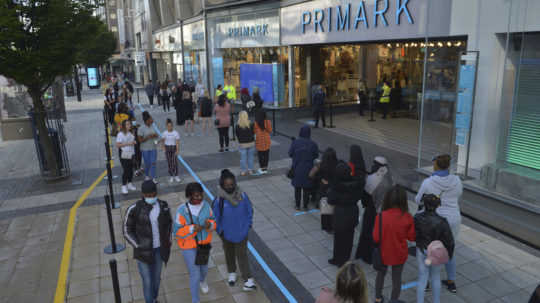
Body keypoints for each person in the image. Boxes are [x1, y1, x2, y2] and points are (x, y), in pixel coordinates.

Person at [415, 154, 463, 293]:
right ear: (448, 166)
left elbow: (418, 200)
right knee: (450, 249)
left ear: (435, 165)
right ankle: (451, 281)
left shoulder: (428, 182)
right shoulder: (457, 180)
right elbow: (458, 194)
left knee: (430, 251)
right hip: (453, 219)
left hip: (434, 221)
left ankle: (427, 283)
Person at [123, 180, 172, 303]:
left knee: (156, 279)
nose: (151, 197)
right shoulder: (134, 209)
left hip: (159, 250)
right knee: (147, 280)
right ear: (143, 194)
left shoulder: (164, 206)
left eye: (153, 195)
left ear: (156, 193)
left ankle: (154, 298)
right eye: (148, 196)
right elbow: (126, 230)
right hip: (143, 252)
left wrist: (168, 242)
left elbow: (169, 225)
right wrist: (138, 245)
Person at [213, 169, 257, 291]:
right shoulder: (219, 200)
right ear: (222, 185)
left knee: (242, 255)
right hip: (226, 234)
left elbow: (250, 211)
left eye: (232, 184)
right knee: (229, 253)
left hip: (242, 232)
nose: (230, 187)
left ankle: (248, 279)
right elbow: (215, 217)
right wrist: (221, 231)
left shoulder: (242, 196)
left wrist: (248, 225)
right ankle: (232, 272)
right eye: (227, 185)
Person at [173, 182, 216, 303]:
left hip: (203, 245)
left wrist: (210, 225)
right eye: (195, 196)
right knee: (195, 274)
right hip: (188, 246)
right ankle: (195, 300)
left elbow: (214, 222)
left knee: (204, 269)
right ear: (189, 196)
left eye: (200, 195)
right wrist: (191, 229)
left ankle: (203, 280)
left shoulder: (207, 206)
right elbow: (176, 231)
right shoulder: (182, 210)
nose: (199, 198)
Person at [372, 185, 415, 303]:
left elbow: (376, 238)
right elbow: (411, 237)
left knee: (380, 275)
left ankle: (378, 298)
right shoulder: (407, 217)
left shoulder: (380, 216)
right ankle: (394, 300)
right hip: (399, 253)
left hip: (383, 253)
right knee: (397, 279)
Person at [415, 194, 455, 303]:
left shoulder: (417, 218)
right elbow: (450, 242)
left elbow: (414, 234)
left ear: (425, 204)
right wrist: (448, 256)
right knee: (436, 277)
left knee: (422, 278)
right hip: (437, 252)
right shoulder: (442, 221)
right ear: (437, 206)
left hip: (422, 250)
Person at [328, 161, 362, 267]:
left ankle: (336, 258)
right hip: (352, 212)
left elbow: (330, 200)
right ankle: (344, 260)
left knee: (338, 238)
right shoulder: (356, 184)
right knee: (348, 238)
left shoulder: (336, 186)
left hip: (340, 213)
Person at [289, 125, 319, 210]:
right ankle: (305, 206)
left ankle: (297, 205)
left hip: (297, 168)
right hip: (308, 169)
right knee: (306, 188)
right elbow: (316, 155)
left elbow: (290, 154)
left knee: (297, 188)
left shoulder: (295, 143)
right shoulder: (313, 144)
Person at [311, 148, 338, 232]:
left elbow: (312, 176)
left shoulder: (321, 165)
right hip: (333, 189)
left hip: (323, 189)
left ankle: (326, 227)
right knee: (333, 208)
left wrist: (321, 179)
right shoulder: (337, 165)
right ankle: (333, 224)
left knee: (325, 208)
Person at [116, 120, 137, 194]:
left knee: (131, 169)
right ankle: (124, 186)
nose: (129, 125)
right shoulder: (120, 134)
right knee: (126, 170)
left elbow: (133, 141)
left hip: (131, 152)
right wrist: (129, 143)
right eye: (127, 124)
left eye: (129, 124)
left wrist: (134, 142)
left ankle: (130, 183)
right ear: (124, 126)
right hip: (124, 153)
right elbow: (118, 145)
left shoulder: (130, 133)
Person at [138, 111, 159, 183]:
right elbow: (140, 140)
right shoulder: (141, 128)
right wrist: (148, 137)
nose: (152, 120)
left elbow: (157, 135)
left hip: (153, 147)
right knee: (148, 163)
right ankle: (147, 175)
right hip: (145, 149)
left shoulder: (153, 126)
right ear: (146, 121)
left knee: (153, 162)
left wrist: (155, 135)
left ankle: (153, 177)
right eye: (150, 120)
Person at [235, 111, 256, 176]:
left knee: (243, 158)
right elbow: (253, 133)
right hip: (251, 143)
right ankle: (250, 170)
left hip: (242, 144)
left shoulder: (238, 125)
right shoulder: (251, 124)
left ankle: (243, 171)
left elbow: (237, 135)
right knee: (250, 157)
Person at [161, 119, 181, 183]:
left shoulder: (175, 133)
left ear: (172, 126)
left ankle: (176, 175)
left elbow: (177, 142)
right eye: (168, 126)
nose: (170, 127)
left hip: (173, 148)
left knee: (175, 162)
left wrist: (177, 150)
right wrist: (163, 148)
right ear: (166, 126)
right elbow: (163, 141)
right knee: (169, 163)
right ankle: (171, 176)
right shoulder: (164, 133)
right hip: (167, 148)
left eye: (171, 126)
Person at [254, 110, 272, 175]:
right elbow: (270, 131)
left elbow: (255, 131)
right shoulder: (268, 122)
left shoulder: (256, 122)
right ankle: (265, 168)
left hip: (259, 140)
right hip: (266, 140)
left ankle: (261, 168)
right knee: (266, 155)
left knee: (260, 155)